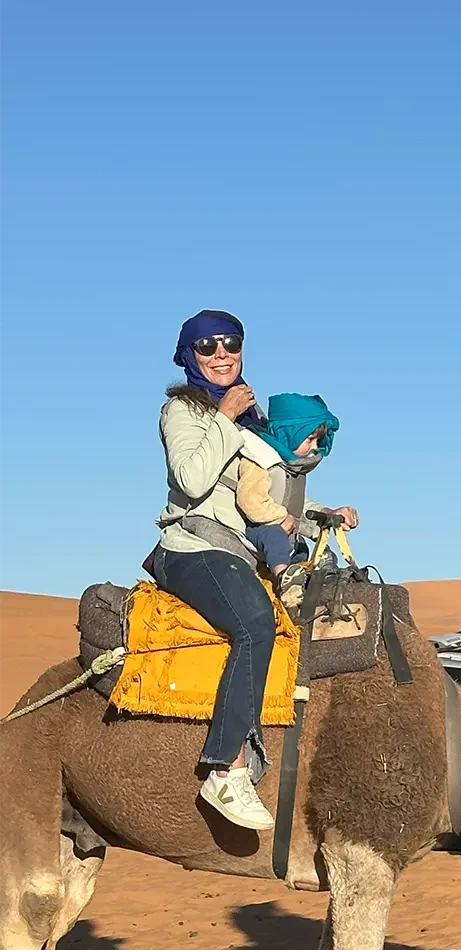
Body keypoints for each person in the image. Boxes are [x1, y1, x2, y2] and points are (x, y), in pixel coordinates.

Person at [150, 310, 358, 831]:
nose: (221, 354)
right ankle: (225, 767)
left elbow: (262, 496)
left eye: (230, 344)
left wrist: (321, 515)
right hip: (194, 546)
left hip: (240, 551)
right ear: (188, 355)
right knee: (255, 623)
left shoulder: (247, 419)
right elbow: (192, 481)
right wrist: (222, 416)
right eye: (207, 346)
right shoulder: (183, 411)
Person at [240, 393, 343, 596]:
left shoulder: (292, 467)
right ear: (290, 433)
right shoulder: (259, 458)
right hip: (260, 529)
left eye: (318, 440)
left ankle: (324, 583)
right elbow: (249, 499)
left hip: (287, 532)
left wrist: (326, 513)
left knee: (313, 552)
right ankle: (284, 580)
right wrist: (278, 517)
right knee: (275, 537)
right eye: (310, 438)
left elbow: (295, 502)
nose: (314, 446)